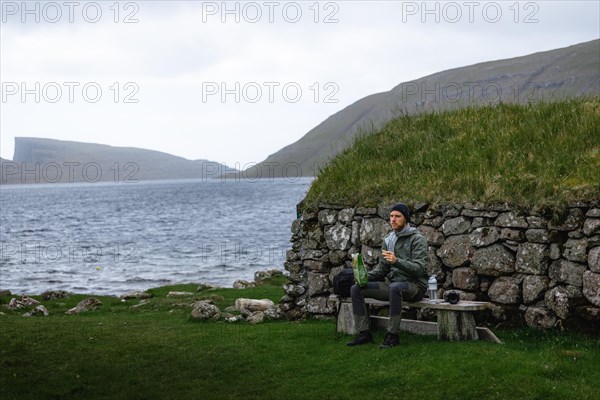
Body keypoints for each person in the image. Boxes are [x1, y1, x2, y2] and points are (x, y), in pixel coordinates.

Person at [346, 203, 428, 349]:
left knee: (395, 288)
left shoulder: (417, 239)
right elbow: (382, 269)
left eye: (398, 216)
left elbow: (419, 270)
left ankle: (393, 335)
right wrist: (364, 276)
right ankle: (364, 333)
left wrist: (397, 262)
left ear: (406, 219)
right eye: (391, 216)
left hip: (414, 286)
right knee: (356, 288)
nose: (393, 220)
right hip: (391, 285)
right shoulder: (388, 240)